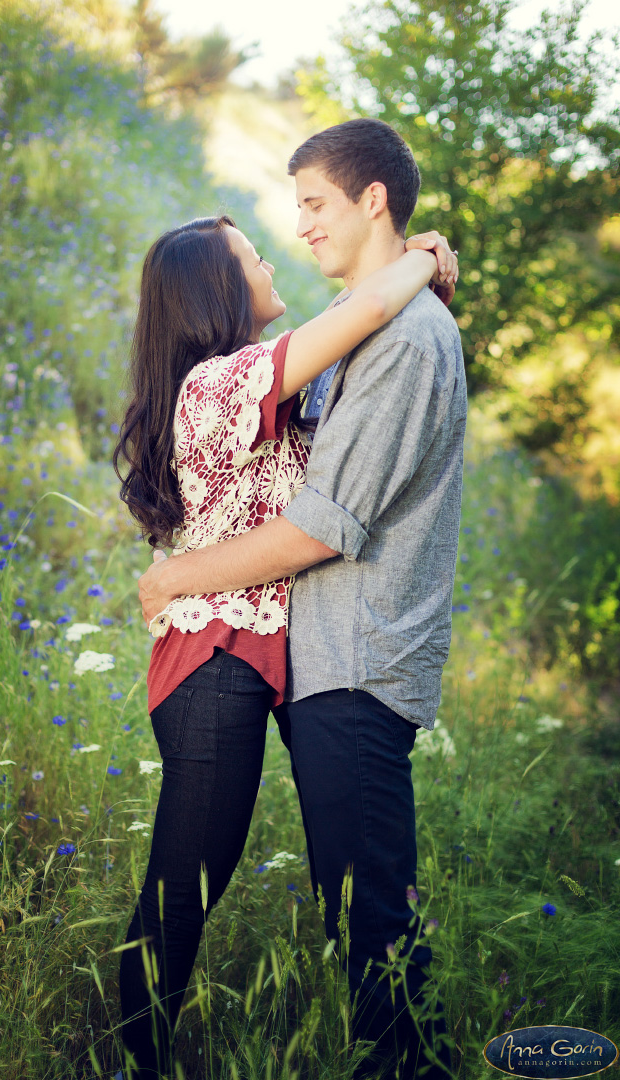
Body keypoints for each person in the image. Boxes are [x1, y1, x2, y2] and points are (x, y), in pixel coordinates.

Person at [137, 118, 468, 1079]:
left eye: (314, 205)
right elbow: (359, 316)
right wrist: (418, 258)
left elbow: (323, 523)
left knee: (361, 906)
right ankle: (130, 1057)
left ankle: (412, 1066)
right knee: (201, 885)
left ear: (370, 200)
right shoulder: (239, 378)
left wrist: (417, 256)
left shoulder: (376, 344)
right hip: (238, 657)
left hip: (330, 657)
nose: (298, 232)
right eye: (267, 238)